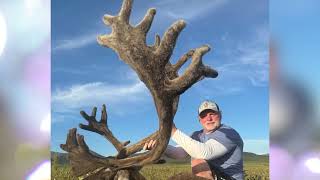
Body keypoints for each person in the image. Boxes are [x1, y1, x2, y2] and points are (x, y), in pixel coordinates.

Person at [144, 100, 244, 180]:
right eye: (204, 115)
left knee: (197, 160)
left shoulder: (228, 133)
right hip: (212, 176)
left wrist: (173, 131)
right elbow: (178, 153)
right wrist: (159, 146)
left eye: (212, 113)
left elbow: (205, 152)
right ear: (199, 119)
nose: (208, 118)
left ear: (220, 115)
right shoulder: (196, 135)